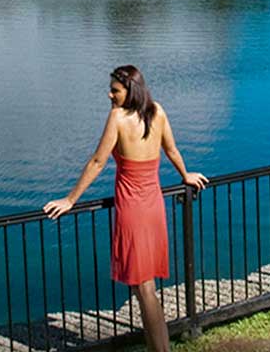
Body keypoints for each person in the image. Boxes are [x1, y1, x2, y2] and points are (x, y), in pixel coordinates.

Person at [42, 65, 207, 352]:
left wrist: (70, 200)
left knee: (144, 289)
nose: (110, 95)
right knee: (144, 285)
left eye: (115, 90)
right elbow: (172, 150)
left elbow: (97, 161)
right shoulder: (157, 111)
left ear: (130, 91)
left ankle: (161, 350)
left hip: (133, 210)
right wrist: (185, 174)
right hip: (154, 206)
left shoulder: (118, 118)